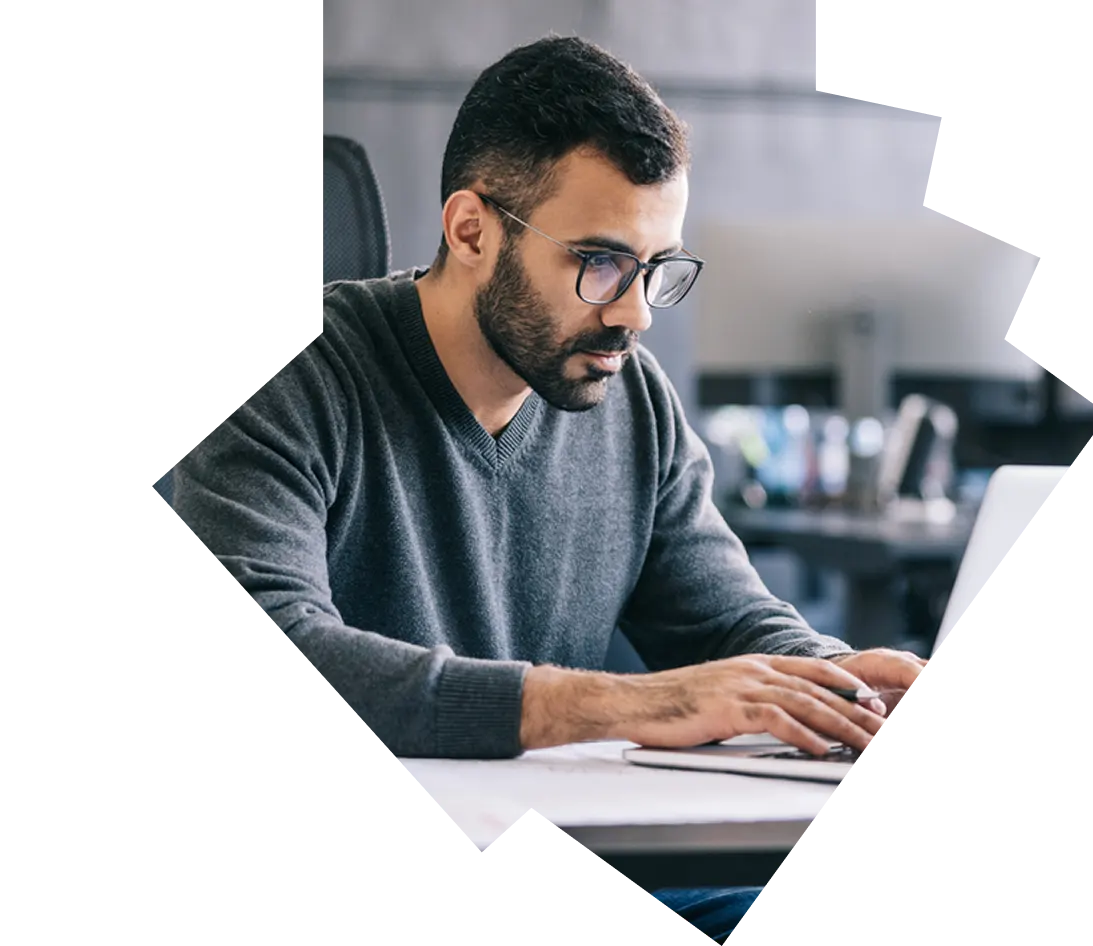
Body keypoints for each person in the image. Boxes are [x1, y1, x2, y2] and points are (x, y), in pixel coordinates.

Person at [175, 35, 926, 945]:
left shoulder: (632, 397)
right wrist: (623, 704)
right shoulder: (294, 381)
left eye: (657, 269)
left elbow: (726, 621)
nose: (635, 313)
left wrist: (833, 681)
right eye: (601, 262)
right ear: (471, 230)